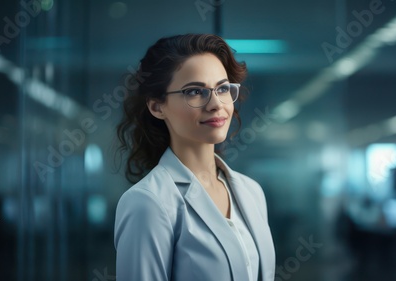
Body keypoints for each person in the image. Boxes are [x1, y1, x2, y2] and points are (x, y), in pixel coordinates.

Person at [114, 34, 276, 281]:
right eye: (195, 92)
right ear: (158, 107)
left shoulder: (251, 191)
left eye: (222, 88)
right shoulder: (147, 203)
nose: (215, 104)